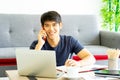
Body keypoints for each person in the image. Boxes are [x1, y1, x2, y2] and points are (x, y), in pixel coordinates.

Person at [30, 11, 96, 67]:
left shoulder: (69, 41)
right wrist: (40, 45)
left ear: (60, 25)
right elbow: (31, 66)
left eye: (54, 25)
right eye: (47, 25)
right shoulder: (37, 44)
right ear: (42, 27)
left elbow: (91, 58)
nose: (51, 29)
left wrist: (78, 63)